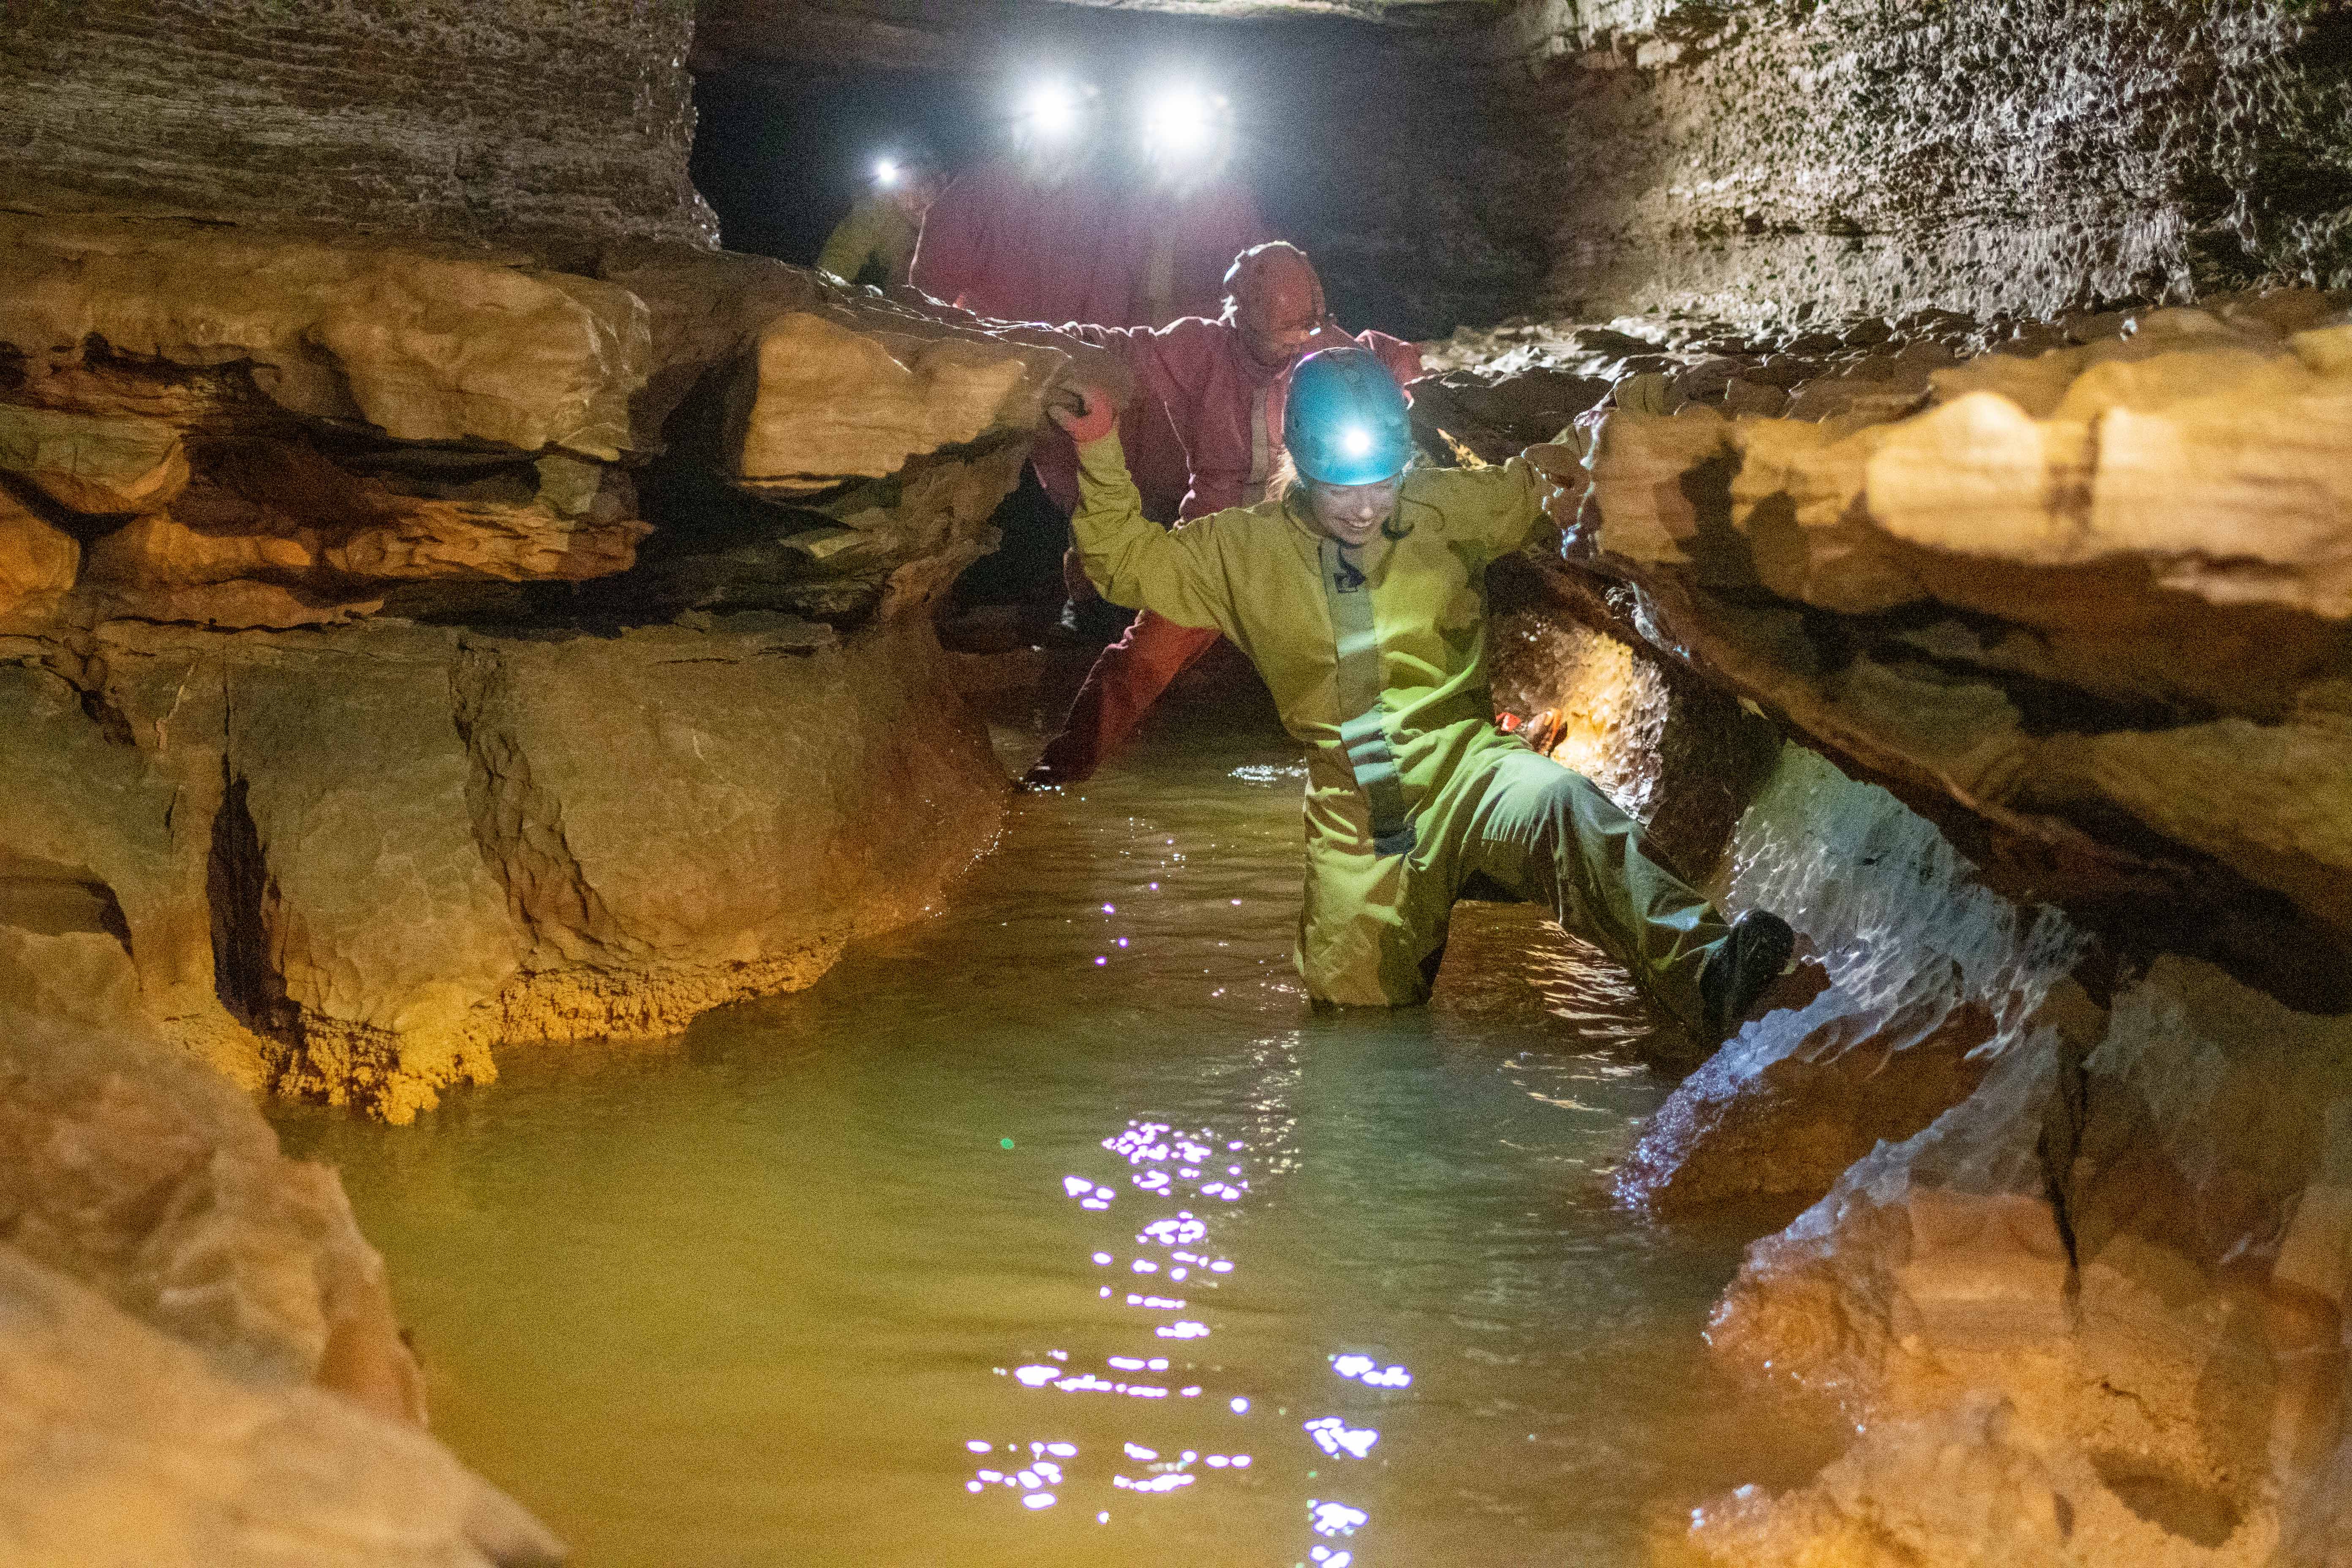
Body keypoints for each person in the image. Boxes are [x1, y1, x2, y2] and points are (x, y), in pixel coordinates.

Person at [1046, 346, 1797, 1040]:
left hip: (1470, 768)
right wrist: (1098, 443)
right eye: (1342, 489)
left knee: (1563, 804)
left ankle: (1706, 970)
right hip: (1357, 814)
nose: (1366, 508)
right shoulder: (1240, 550)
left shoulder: (1443, 507)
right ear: (1300, 464)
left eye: (1383, 483)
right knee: (1355, 1028)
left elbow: (1547, 476)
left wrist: (1646, 400)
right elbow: (1124, 563)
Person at [1023, 242, 1421, 788]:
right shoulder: (1200, 348)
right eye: (1283, 332)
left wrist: (1397, 366)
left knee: (1375, 644)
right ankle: (1056, 776)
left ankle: (1418, 768)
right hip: (1217, 542)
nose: (1296, 343)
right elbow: (1122, 350)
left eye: (1305, 328)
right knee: (1143, 663)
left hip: (1304, 532)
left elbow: (1374, 366)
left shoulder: (1323, 353)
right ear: (1240, 316)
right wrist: (1043, 344)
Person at [816, 147, 948, 290]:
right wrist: (822, 289)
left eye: (921, 185)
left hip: (928, 238)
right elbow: (846, 251)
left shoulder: (955, 208)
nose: (913, 202)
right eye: (903, 190)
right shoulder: (880, 203)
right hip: (892, 212)